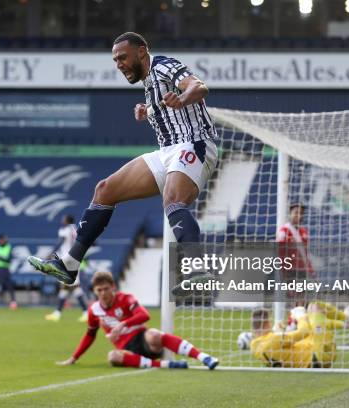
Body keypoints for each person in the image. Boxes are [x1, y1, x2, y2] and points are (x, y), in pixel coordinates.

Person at [28, 32, 218, 284]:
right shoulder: (149, 82)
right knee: (105, 189)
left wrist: (182, 98)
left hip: (195, 144)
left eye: (122, 57)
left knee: (172, 199)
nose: (119, 64)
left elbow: (199, 87)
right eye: (115, 60)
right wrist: (147, 111)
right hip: (167, 152)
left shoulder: (164, 65)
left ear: (142, 51)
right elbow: (166, 108)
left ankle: (196, 266)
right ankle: (70, 264)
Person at [56, 271, 219, 370]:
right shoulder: (94, 310)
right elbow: (90, 335)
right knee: (113, 357)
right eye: (99, 290)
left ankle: (203, 357)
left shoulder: (126, 298)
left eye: (106, 288)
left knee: (154, 334)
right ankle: (166, 365)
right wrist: (74, 357)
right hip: (127, 349)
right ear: (94, 291)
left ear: (113, 286)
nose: (104, 293)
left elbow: (144, 315)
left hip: (145, 340)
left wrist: (122, 325)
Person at [250, 302, 349, 368]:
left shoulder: (254, 346)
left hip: (314, 356)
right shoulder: (273, 340)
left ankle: (348, 324)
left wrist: (285, 330)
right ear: (267, 323)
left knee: (316, 322)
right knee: (314, 307)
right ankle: (347, 316)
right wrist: (300, 316)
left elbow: (280, 346)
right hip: (320, 355)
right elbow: (303, 332)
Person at [44, 214, 89, 322]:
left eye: (63, 218)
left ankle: (85, 312)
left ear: (67, 220)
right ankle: (58, 313)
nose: (62, 220)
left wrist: (50, 254)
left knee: (73, 287)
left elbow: (60, 243)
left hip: (67, 259)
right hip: (74, 258)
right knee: (67, 287)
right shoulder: (75, 229)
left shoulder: (64, 229)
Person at [275, 203, 315, 317]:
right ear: (290, 214)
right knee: (297, 296)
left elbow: (305, 253)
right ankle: (294, 320)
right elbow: (280, 250)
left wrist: (310, 269)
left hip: (302, 269)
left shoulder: (304, 232)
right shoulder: (284, 230)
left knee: (302, 297)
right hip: (290, 270)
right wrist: (284, 270)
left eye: (301, 213)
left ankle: (297, 320)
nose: (299, 215)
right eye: (296, 212)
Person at [45, 258, 90, 322]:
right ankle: (57, 313)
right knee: (66, 291)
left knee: (74, 288)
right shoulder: (65, 248)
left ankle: (86, 313)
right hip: (69, 267)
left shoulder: (70, 248)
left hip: (73, 267)